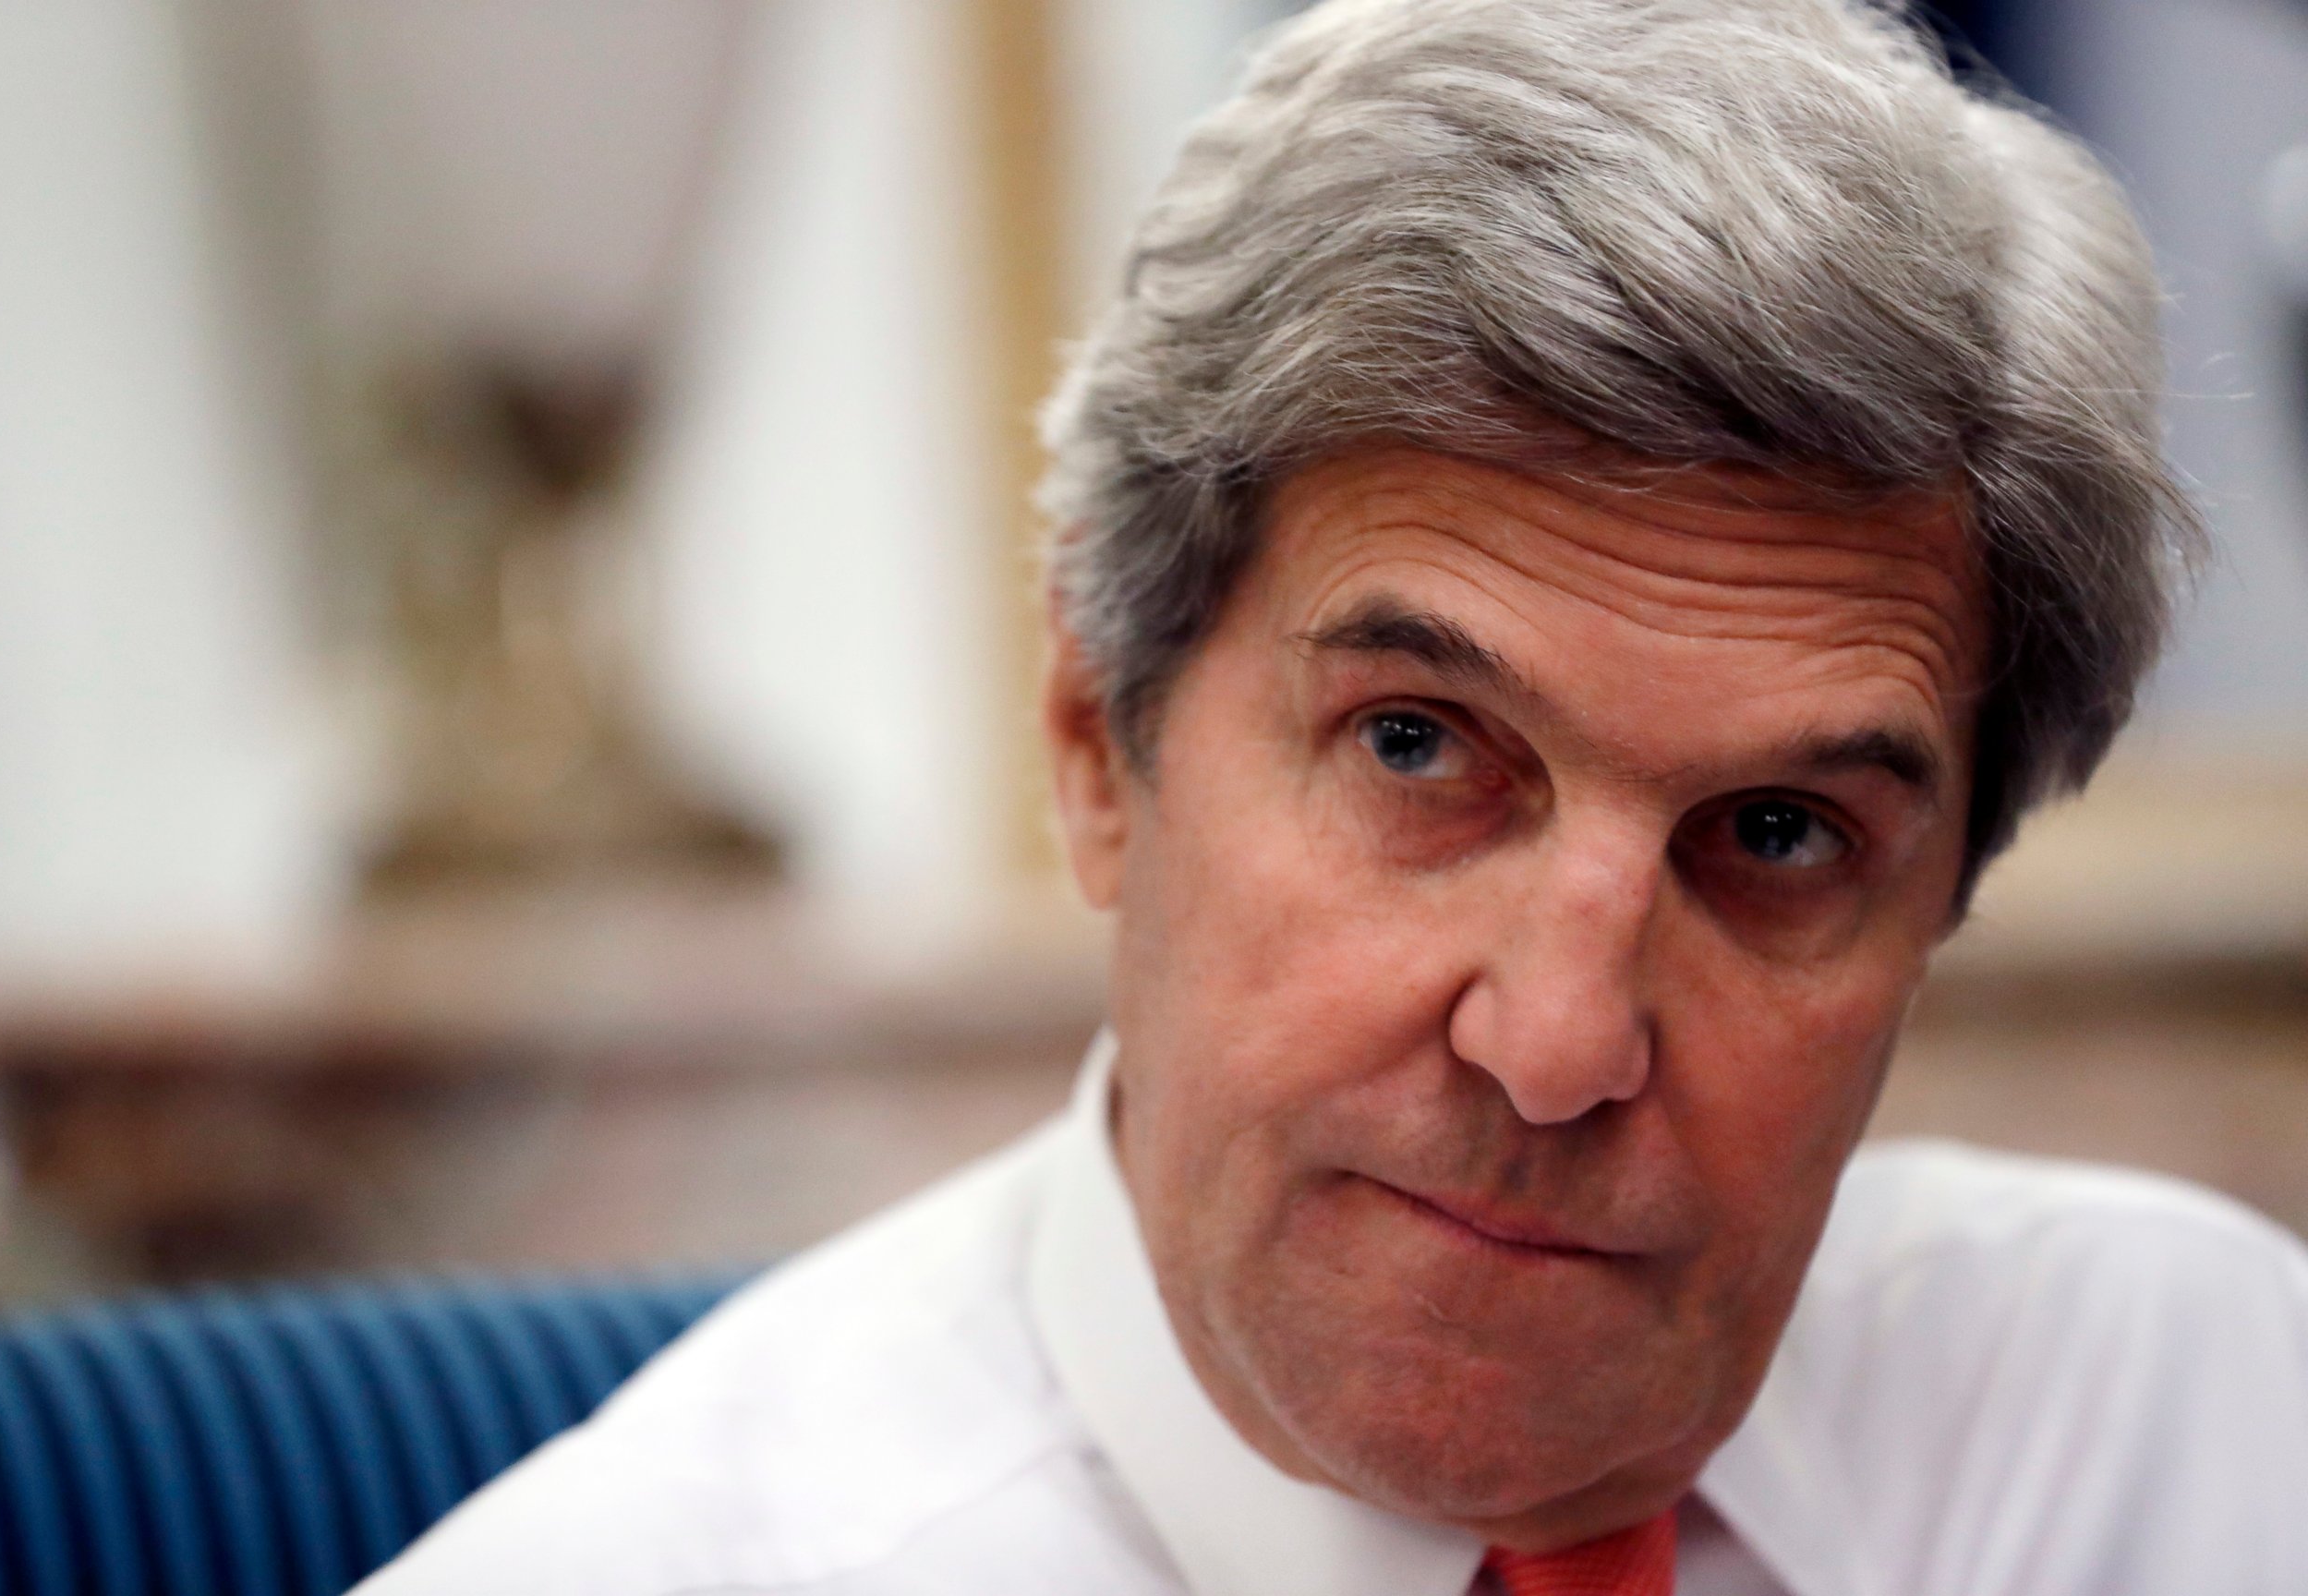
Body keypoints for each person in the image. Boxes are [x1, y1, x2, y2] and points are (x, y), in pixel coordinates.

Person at [356, 1, 2308, 1591]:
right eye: (1418, 748)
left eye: (1780, 837)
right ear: (1090, 737)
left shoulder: (2189, 1431)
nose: (1558, 1044)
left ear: (1942, 914)